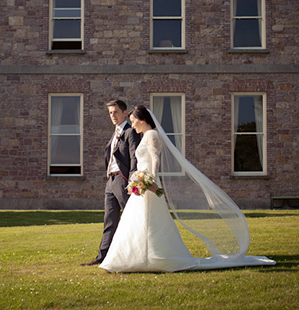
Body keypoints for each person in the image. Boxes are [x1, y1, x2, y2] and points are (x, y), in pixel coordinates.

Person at [99, 105, 276, 273]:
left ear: (142, 119)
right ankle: (136, 257)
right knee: (137, 220)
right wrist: (136, 182)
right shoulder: (144, 135)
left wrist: (150, 179)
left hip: (148, 183)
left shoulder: (152, 134)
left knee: (152, 220)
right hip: (141, 183)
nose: (132, 124)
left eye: (133, 120)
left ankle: (155, 256)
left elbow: (154, 158)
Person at [81, 99, 141, 266]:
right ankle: (102, 257)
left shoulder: (130, 132)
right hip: (111, 181)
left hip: (123, 181)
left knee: (130, 219)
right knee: (110, 220)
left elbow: (135, 157)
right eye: (110, 113)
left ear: (124, 113)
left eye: (115, 112)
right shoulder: (115, 133)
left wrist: (132, 181)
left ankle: (135, 255)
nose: (112, 116)